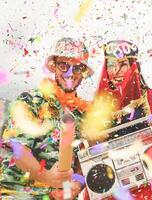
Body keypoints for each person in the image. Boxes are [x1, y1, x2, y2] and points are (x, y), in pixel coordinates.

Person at [0, 37, 93, 199]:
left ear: (83, 73)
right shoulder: (31, 101)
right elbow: (18, 148)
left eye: (77, 68)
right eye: (64, 66)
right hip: (18, 193)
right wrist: (46, 177)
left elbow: (85, 160)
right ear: (54, 68)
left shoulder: (83, 114)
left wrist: (76, 185)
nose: (70, 73)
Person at [83, 40, 152, 200]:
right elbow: (83, 155)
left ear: (134, 66)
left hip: (143, 189)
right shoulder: (93, 107)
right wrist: (88, 142)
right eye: (111, 64)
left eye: (123, 64)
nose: (116, 70)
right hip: (105, 188)